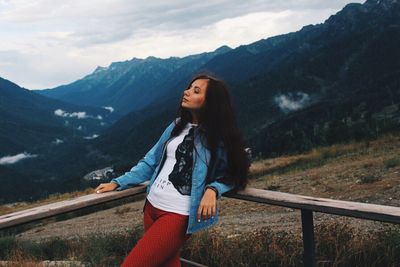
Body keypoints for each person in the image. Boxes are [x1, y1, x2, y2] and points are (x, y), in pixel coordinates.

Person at [95, 74, 250, 267]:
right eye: (189, 88)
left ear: (211, 102)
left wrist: (213, 189)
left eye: (196, 91)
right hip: (151, 207)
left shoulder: (218, 137)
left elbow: (236, 173)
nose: (186, 92)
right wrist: (118, 182)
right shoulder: (176, 126)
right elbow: (150, 161)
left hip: (177, 215)